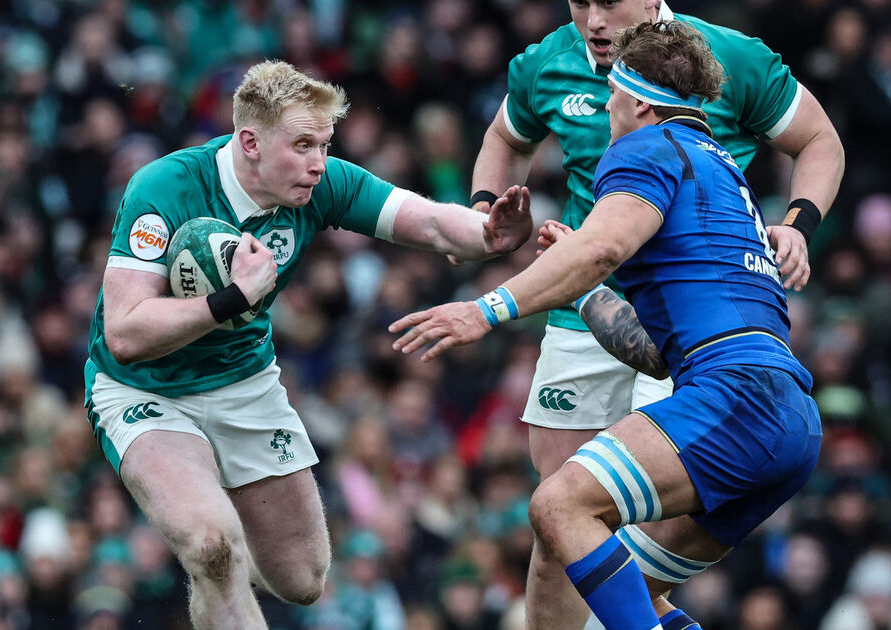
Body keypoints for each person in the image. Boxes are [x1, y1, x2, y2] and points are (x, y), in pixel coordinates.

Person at [393, 21, 822, 630]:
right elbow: (655, 352)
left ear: (639, 100)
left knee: (558, 505)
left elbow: (602, 248)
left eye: (611, 97)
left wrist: (482, 310)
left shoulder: (645, 146)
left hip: (735, 399)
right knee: (627, 593)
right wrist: (590, 291)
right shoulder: (724, 172)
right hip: (792, 420)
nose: (606, 110)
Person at [84, 60, 533, 630]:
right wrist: (230, 298)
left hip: (242, 383)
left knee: (303, 580)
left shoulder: (320, 185)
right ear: (250, 142)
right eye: (302, 145)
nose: (318, 163)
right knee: (211, 545)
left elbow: (432, 223)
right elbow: (124, 334)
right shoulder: (165, 187)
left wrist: (488, 234)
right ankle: (214, 554)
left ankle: (221, 556)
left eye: (323, 144)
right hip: (144, 391)